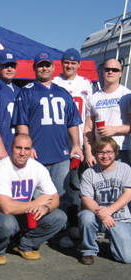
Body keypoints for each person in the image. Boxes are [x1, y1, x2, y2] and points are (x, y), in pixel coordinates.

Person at [12, 52, 83, 248]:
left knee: (60, 196)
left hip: (60, 154)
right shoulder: (26, 91)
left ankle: (58, 231)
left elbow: (73, 122)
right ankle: (33, 232)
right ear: (35, 68)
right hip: (37, 156)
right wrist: (29, 146)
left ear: (53, 67)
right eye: (40, 65)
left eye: (47, 65)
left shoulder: (63, 92)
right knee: (36, 198)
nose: (44, 68)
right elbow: (21, 122)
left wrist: (76, 144)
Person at [0, 134, 67, 265]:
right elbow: (7, 208)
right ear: (11, 148)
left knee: (59, 217)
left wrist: (45, 208)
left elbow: (55, 198)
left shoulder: (37, 168)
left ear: (31, 150)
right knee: (8, 223)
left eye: (27, 149)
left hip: (22, 212)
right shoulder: (1, 169)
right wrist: (35, 203)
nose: (22, 153)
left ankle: (22, 243)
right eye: (18, 148)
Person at [52, 48, 95, 239]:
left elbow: (89, 117)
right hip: (58, 141)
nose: (69, 66)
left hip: (78, 142)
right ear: (62, 63)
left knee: (76, 184)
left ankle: (74, 221)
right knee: (59, 185)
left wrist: (88, 145)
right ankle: (59, 224)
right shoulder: (54, 82)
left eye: (73, 63)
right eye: (66, 62)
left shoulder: (86, 84)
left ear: (78, 64)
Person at [78, 136, 131, 265]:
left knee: (127, 258)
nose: (105, 156)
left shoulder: (125, 169)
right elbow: (86, 198)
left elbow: (128, 193)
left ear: (115, 153)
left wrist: (109, 211)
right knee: (85, 216)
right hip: (97, 216)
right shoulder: (89, 173)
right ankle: (88, 251)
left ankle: (115, 240)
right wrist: (103, 215)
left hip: (120, 218)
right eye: (101, 152)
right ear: (95, 154)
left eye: (109, 152)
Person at [84, 58, 131, 168]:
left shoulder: (127, 95)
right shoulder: (93, 97)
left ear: (120, 73)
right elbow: (88, 129)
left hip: (121, 150)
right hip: (99, 151)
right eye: (107, 69)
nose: (110, 72)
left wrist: (114, 130)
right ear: (103, 72)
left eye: (115, 70)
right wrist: (89, 153)